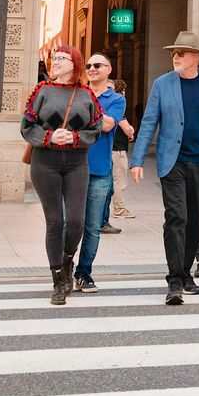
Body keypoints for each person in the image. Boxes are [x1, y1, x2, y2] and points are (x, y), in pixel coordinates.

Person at [130, 31, 199, 305]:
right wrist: (137, 159)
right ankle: (174, 279)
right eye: (174, 53)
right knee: (176, 217)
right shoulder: (162, 84)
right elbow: (149, 122)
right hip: (172, 161)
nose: (176, 56)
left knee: (193, 222)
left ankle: (187, 272)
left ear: (197, 57)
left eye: (182, 52)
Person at [21, 44, 103, 304]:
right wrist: (48, 136)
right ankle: (58, 279)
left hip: (77, 163)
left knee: (77, 220)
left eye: (61, 58)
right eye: (54, 58)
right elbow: (27, 125)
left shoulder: (87, 94)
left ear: (74, 63)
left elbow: (96, 127)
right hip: (45, 163)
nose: (55, 62)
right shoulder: (41, 90)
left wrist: (76, 137)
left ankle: (68, 260)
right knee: (55, 222)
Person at [74, 53, 125, 291]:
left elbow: (107, 125)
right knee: (69, 223)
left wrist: (82, 110)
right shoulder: (76, 92)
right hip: (71, 168)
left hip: (99, 170)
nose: (92, 68)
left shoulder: (116, 99)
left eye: (97, 65)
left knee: (92, 226)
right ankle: (64, 269)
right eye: (88, 65)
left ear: (109, 69)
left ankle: (83, 272)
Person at [108, 80, 135, 222]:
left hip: (110, 149)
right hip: (117, 150)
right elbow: (127, 129)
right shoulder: (118, 106)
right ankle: (119, 208)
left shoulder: (107, 106)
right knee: (119, 180)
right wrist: (131, 132)